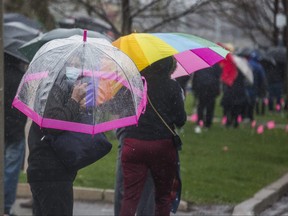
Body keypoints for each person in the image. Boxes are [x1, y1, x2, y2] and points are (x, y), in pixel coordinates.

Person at [118, 56, 187, 216]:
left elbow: (122, 109)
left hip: (133, 143)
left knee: (130, 197)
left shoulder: (135, 84)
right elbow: (180, 120)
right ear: (169, 65)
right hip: (162, 145)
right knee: (163, 197)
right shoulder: (172, 87)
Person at [27, 65, 87, 215]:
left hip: (50, 170)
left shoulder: (57, 84)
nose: (77, 64)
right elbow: (54, 124)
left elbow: (59, 118)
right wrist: (74, 100)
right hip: (51, 172)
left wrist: (77, 107)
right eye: (75, 60)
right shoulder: (55, 85)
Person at [4, 53, 27, 216]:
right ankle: (5, 206)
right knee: (11, 170)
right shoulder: (22, 78)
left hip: (3, 128)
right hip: (16, 130)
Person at [192, 64, 221, 133]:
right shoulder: (216, 65)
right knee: (210, 106)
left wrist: (194, 88)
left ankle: (199, 121)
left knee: (201, 105)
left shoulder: (199, 65)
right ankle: (207, 124)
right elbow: (218, 77)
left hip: (201, 87)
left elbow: (195, 77)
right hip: (212, 87)